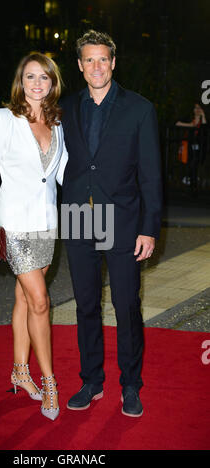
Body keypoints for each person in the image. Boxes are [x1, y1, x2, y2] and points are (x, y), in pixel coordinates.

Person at [60, 30, 162, 417]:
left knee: (125, 305)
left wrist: (149, 227)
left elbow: (151, 174)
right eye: (90, 60)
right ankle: (91, 381)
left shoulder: (139, 109)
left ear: (113, 63)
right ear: (81, 66)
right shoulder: (66, 108)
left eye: (103, 59)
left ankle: (130, 384)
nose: (97, 66)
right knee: (86, 305)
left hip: (123, 219)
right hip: (79, 216)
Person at [0, 52, 68, 421]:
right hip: (12, 225)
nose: (37, 83)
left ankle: (20, 373)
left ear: (53, 83)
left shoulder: (57, 122)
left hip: (46, 223)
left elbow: (61, 174)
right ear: (20, 81)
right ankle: (51, 382)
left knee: (25, 298)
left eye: (44, 77)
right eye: (30, 77)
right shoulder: (3, 118)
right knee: (41, 301)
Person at [176, 103, 208, 193]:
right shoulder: (190, 119)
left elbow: (205, 130)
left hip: (200, 147)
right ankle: (190, 183)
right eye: (195, 108)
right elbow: (178, 123)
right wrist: (191, 125)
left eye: (199, 108)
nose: (197, 110)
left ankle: (194, 184)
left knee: (195, 164)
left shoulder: (203, 121)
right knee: (190, 164)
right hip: (189, 146)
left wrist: (203, 116)